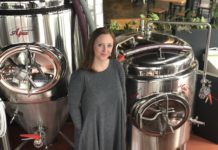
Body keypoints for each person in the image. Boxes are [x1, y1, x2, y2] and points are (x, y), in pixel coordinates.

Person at [68, 27, 126, 150]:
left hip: (115, 128)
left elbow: (123, 97)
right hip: (91, 134)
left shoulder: (117, 67)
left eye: (109, 45)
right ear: (92, 46)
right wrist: (83, 130)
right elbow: (73, 106)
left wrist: (123, 122)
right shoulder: (80, 76)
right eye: (100, 45)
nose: (105, 50)